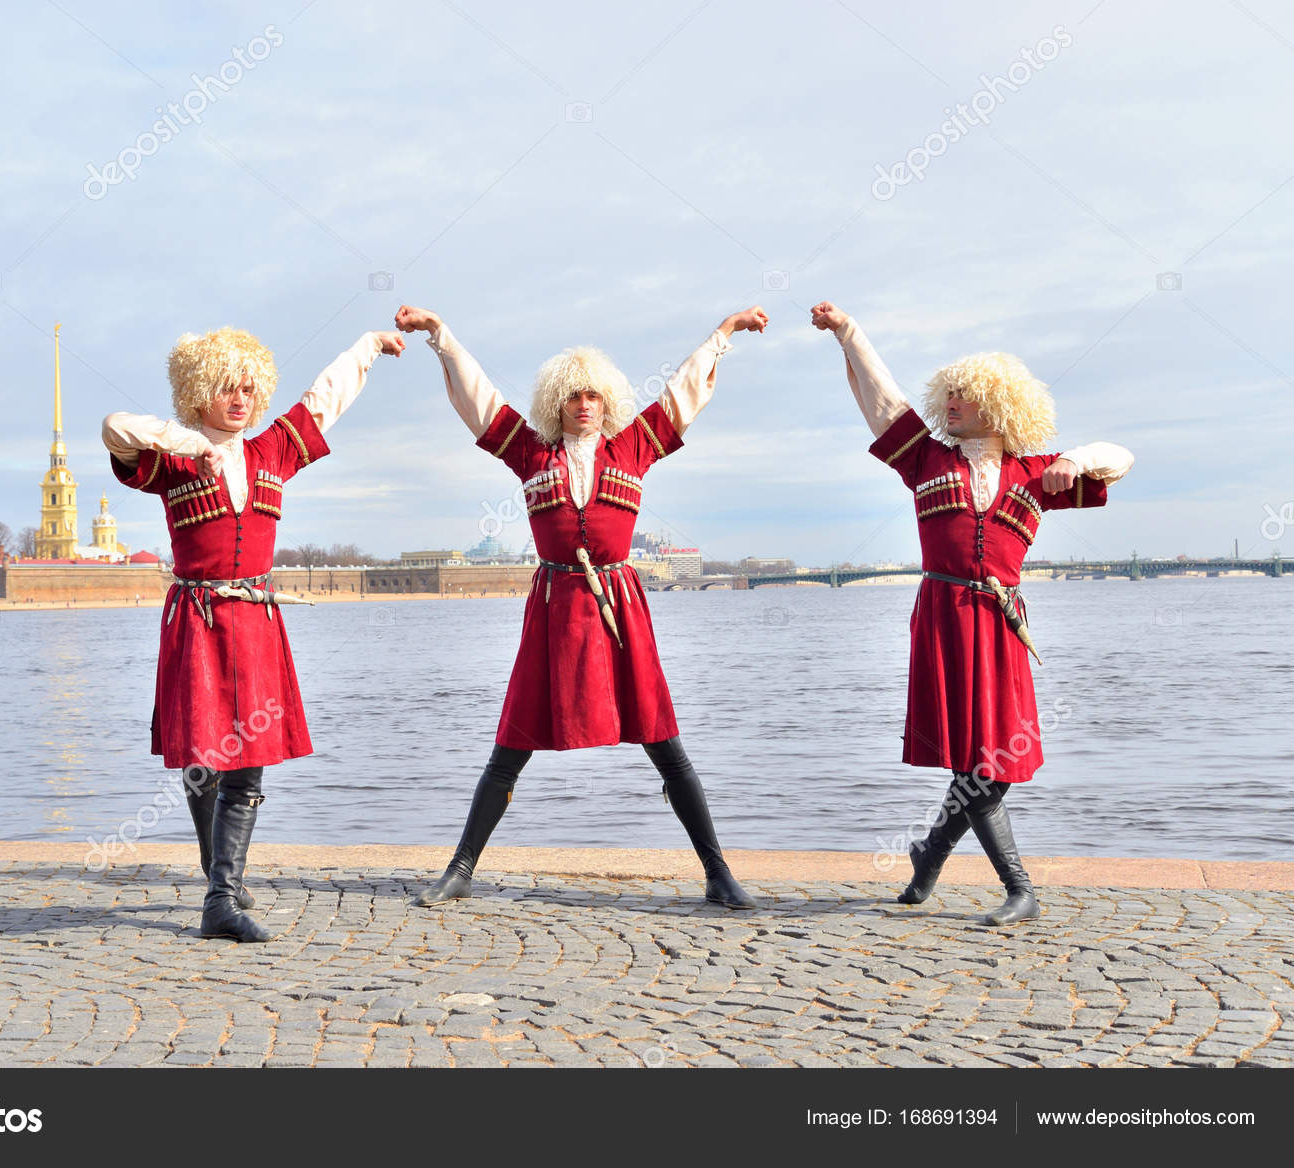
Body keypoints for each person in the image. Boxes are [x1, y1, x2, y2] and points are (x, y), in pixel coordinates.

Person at [395, 302, 768, 909]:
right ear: (557, 402)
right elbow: (479, 399)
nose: (584, 404)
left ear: (606, 400)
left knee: (663, 740)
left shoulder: (635, 445)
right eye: (573, 396)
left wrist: (723, 334)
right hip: (554, 609)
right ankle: (460, 869)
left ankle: (718, 872)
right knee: (512, 742)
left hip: (621, 610)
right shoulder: (530, 452)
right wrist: (441, 336)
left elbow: (683, 393)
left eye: (593, 395)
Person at [810, 300, 1133, 925]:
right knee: (976, 762)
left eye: (967, 395)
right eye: (950, 394)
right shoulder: (926, 459)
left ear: (1001, 405)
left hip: (1001, 626)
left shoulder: (1037, 474)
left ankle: (931, 853)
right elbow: (883, 400)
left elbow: (1122, 458)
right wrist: (849, 333)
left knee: (995, 762)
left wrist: (1077, 457)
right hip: (944, 618)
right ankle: (1019, 890)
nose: (952, 403)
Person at [102, 324, 405, 940]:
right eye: (225, 388)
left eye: (247, 388)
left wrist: (369, 345)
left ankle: (221, 895)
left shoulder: (273, 450)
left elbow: (325, 398)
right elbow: (114, 426)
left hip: (256, 621)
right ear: (198, 392)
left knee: (249, 765)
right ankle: (221, 883)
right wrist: (190, 442)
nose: (239, 399)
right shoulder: (172, 460)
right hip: (198, 620)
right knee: (203, 760)